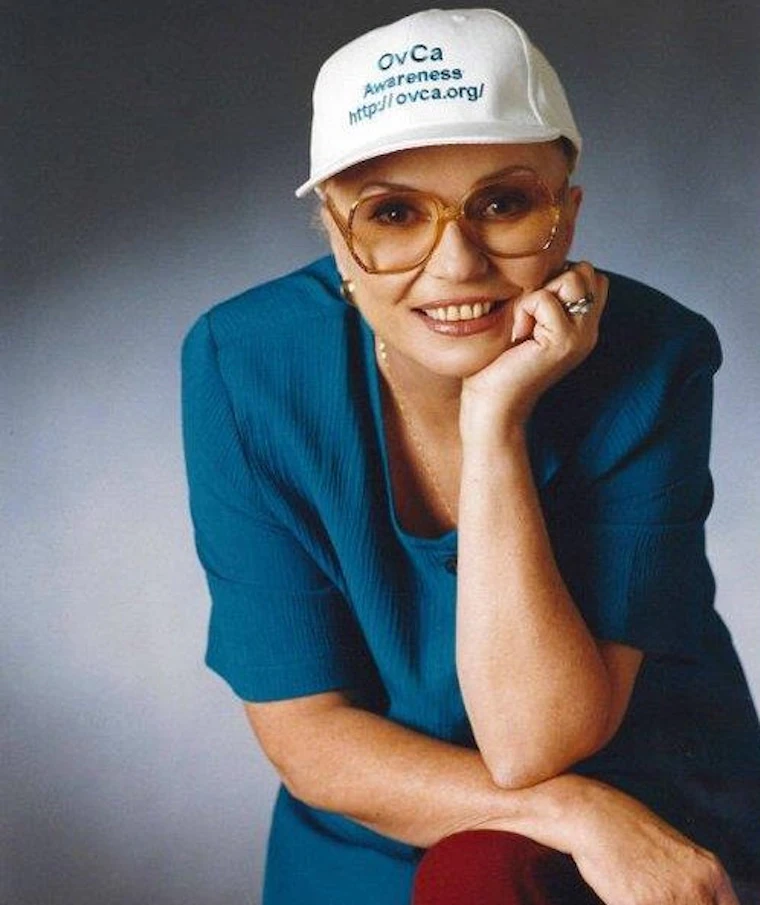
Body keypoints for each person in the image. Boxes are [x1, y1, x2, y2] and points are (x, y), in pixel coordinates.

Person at [181, 9, 760, 904]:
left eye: (503, 203)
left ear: (565, 214)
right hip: (381, 828)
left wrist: (493, 420)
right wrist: (573, 813)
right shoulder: (244, 365)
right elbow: (307, 735)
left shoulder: (657, 354)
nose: (456, 262)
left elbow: (536, 740)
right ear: (335, 234)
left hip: (648, 815)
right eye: (394, 214)